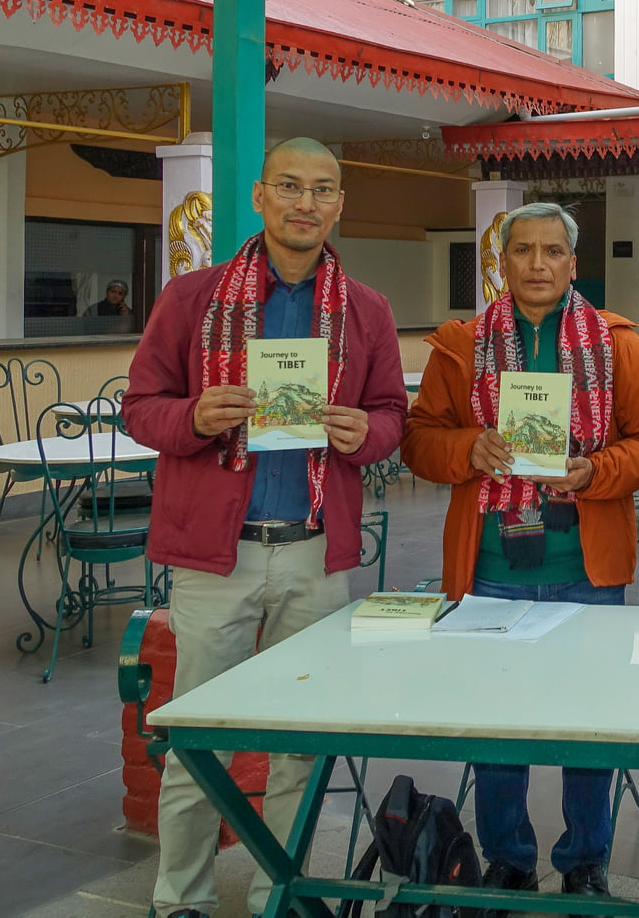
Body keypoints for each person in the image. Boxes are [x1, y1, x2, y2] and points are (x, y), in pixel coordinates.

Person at [123, 137, 408, 918]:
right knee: (200, 734)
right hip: (218, 557)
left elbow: (392, 415)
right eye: (289, 185)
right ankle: (180, 897)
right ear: (259, 196)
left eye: (322, 189)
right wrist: (193, 416)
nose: (304, 203)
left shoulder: (366, 309)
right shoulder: (193, 297)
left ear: (339, 204)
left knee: (298, 740)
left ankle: (276, 894)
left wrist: (367, 433)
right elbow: (140, 406)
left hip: (316, 555)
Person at [400, 201, 639, 910]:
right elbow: (419, 440)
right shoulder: (461, 345)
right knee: (497, 722)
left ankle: (585, 860)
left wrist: (596, 470)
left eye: (552, 251)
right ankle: (509, 859)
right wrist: (469, 447)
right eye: (522, 250)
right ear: (502, 262)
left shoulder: (617, 343)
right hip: (491, 569)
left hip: (587, 569)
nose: (537, 264)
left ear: (573, 263)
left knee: (590, 721)